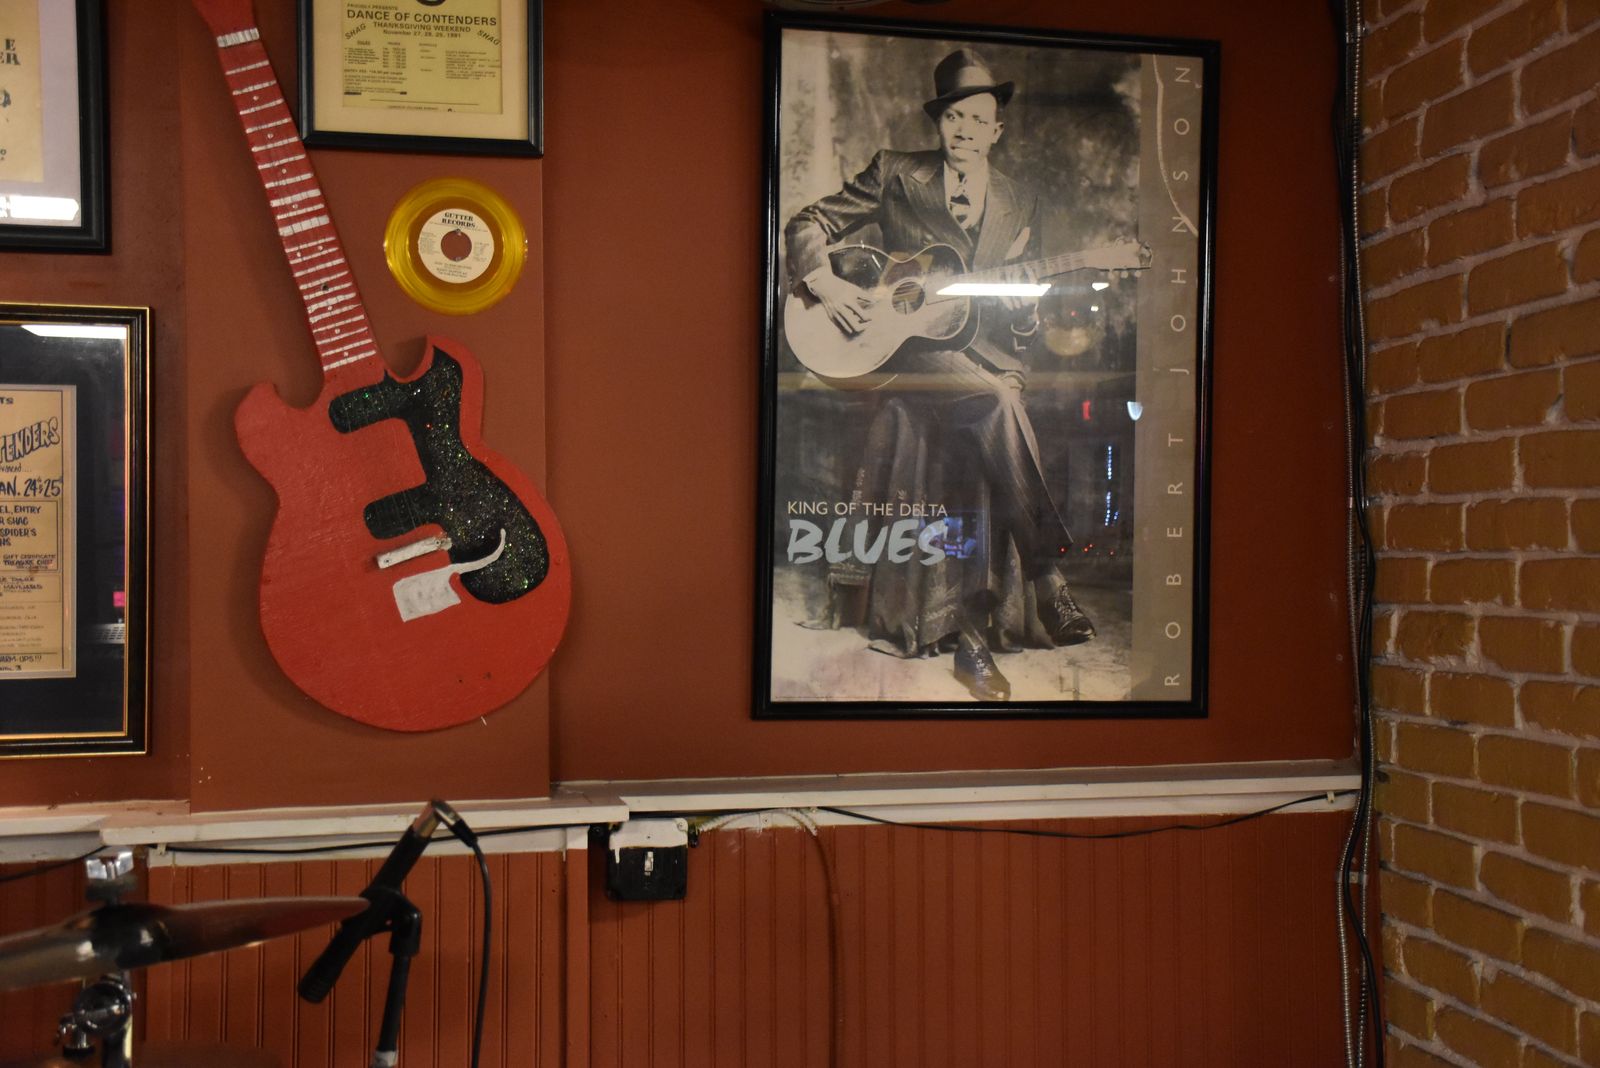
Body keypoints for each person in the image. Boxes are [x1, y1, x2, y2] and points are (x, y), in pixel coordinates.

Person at [784, 47, 1094, 702]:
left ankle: (983, 624)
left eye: (978, 120)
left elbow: (1022, 318)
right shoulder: (896, 172)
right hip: (903, 347)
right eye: (954, 117)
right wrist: (825, 283)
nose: (965, 131)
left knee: (993, 404)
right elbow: (807, 222)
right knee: (996, 403)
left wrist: (1025, 314)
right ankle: (1047, 578)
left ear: (996, 129)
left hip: (985, 353)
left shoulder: (1020, 200)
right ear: (938, 122)